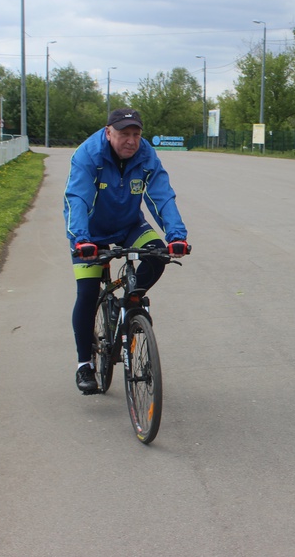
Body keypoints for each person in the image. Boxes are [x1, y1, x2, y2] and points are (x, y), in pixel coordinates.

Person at [64, 108, 190, 394]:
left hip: (129, 225)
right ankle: (85, 364)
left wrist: (176, 235)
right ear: (108, 132)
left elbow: (162, 195)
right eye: (124, 134)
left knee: (158, 256)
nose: (131, 141)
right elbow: (77, 198)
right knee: (87, 292)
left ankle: (131, 303)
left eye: (136, 134)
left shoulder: (146, 155)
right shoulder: (88, 155)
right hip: (90, 232)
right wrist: (81, 239)